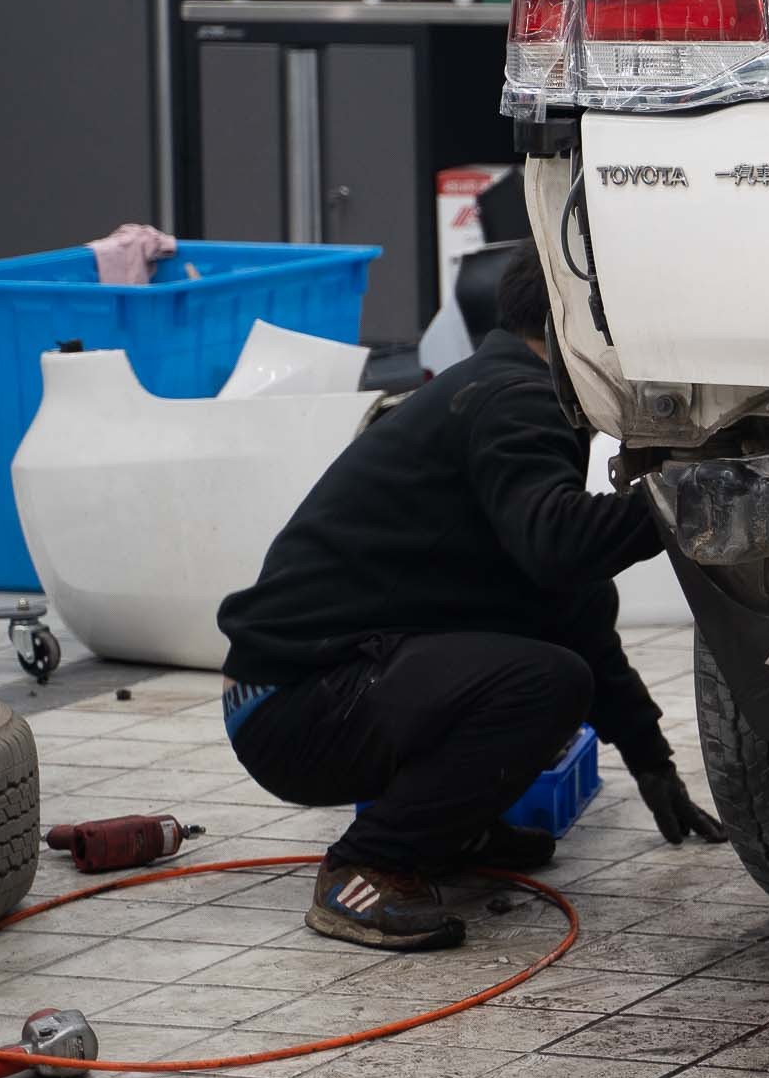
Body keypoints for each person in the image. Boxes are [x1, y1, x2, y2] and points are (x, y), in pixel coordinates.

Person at [218, 252, 727, 950]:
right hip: (293, 702)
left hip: (308, 689)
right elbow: (558, 545)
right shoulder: (514, 397)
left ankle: (448, 829)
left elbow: (570, 605)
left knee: (550, 662)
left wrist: (650, 759)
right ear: (575, 322)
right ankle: (368, 867)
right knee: (543, 684)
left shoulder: (498, 389)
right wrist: (688, 497)